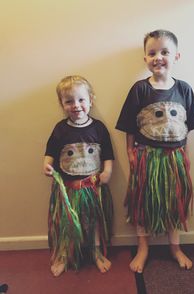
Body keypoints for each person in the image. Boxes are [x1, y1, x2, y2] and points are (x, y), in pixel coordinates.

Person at [116, 29, 194, 273]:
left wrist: (186, 157)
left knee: (175, 203)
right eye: (152, 53)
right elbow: (129, 127)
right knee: (143, 204)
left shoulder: (184, 89)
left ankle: (175, 247)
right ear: (145, 59)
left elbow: (188, 128)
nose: (158, 57)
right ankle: (143, 248)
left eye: (165, 52)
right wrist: (130, 154)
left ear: (176, 56)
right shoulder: (140, 90)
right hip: (147, 158)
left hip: (175, 159)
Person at [44, 75, 114, 277]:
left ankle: (96, 253)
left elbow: (108, 154)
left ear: (91, 100)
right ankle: (65, 255)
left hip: (92, 188)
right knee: (67, 224)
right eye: (69, 101)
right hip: (68, 189)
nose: (76, 105)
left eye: (81, 99)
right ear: (62, 104)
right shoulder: (60, 129)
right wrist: (47, 165)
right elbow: (50, 151)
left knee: (93, 223)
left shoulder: (98, 127)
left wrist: (107, 171)